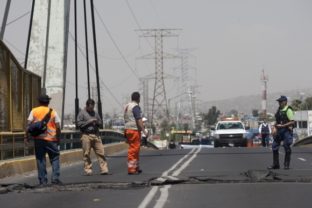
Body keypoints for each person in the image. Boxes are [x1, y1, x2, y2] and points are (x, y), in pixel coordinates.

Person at [25, 94, 62, 186]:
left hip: (39, 139)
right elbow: (58, 127)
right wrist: (58, 138)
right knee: (55, 158)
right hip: (51, 139)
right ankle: (55, 179)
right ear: (48, 102)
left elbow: (28, 126)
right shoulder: (53, 112)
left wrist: (26, 137)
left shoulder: (34, 111)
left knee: (40, 159)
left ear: (39, 102)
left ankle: (42, 181)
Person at [77, 99, 109, 175]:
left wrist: (96, 122)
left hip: (96, 135)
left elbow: (100, 122)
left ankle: (104, 169)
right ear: (87, 106)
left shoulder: (95, 113)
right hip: (86, 135)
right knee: (86, 153)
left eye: (93, 107)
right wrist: (89, 122)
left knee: (101, 152)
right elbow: (79, 124)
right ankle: (88, 170)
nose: (91, 109)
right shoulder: (82, 113)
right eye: (90, 108)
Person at [124, 92, 148, 175]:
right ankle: (131, 169)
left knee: (135, 149)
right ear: (138, 98)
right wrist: (144, 131)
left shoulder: (127, 106)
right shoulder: (135, 107)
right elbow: (138, 119)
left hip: (127, 130)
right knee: (133, 150)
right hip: (134, 130)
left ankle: (136, 167)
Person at [268, 95, 295, 170]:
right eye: (279, 102)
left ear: (285, 102)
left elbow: (292, 122)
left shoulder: (288, 110)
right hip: (279, 130)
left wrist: (283, 126)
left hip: (286, 131)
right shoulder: (279, 109)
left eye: (281, 102)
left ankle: (286, 165)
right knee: (274, 146)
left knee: (286, 146)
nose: (279, 103)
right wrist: (274, 127)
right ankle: (276, 164)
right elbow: (277, 120)